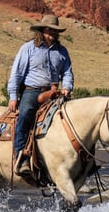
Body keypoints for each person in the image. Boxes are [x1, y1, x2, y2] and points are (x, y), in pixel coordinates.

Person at [7, 14, 74, 175]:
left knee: (72, 117)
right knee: (25, 115)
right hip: (32, 91)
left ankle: (76, 160)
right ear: (42, 30)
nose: (51, 32)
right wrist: (13, 96)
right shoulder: (28, 48)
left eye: (54, 30)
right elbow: (16, 74)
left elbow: (67, 73)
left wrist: (67, 87)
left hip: (55, 93)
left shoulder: (62, 51)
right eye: (48, 29)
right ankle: (21, 157)